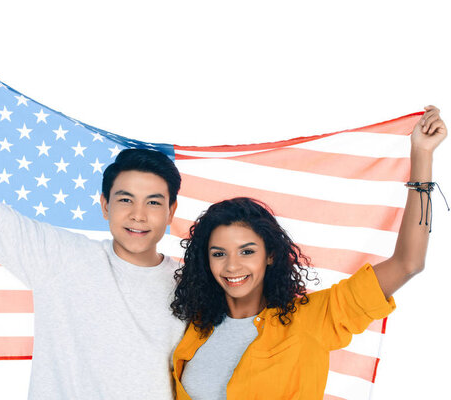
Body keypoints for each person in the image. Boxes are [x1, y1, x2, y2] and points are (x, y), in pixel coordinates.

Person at [0, 58, 186, 399]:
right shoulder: (62, 258)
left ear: (171, 210)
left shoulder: (192, 283)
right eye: (125, 200)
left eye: (152, 202)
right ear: (104, 205)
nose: (138, 215)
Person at [170, 106, 447, 399]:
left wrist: (422, 155)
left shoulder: (313, 318)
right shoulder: (196, 327)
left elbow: (408, 263)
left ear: (271, 255)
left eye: (247, 251)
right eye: (219, 254)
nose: (232, 266)